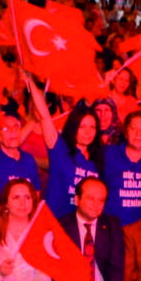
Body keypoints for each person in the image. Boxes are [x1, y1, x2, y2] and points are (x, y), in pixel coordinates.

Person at [27, 79, 102, 219]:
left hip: (80, 227)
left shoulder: (98, 160)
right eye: (82, 127)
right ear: (74, 127)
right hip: (54, 223)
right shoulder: (60, 149)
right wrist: (30, 81)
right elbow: (44, 116)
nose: (88, 132)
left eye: (92, 127)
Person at [0, 110, 40, 225]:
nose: (12, 132)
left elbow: (35, 197)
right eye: (5, 128)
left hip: (20, 228)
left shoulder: (29, 160)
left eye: (16, 127)